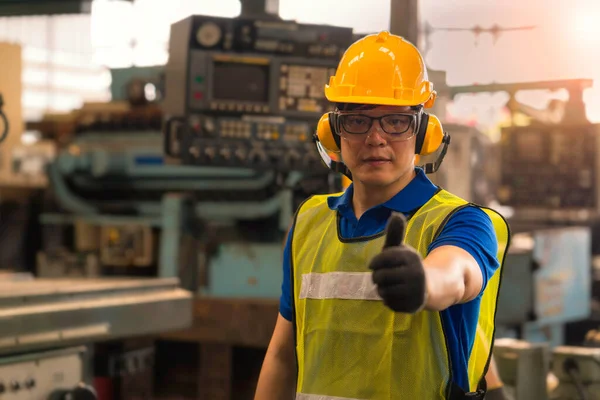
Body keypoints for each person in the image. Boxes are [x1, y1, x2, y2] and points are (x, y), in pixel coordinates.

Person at [254, 31, 510, 400]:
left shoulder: (461, 221)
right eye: (357, 121)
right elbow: (281, 355)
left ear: (423, 133)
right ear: (333, 132)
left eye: (395, 121)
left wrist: (424, 280)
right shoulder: (309, 222)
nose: (376, 138)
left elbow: (458, 273)